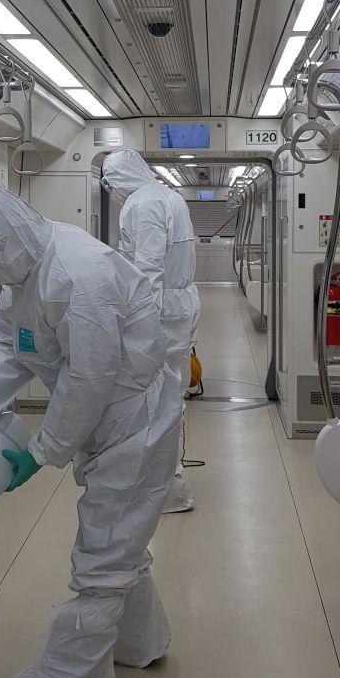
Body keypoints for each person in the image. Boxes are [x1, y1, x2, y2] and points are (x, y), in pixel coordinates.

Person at [0, 186, 182, 678]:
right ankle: (138, 641)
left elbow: (89, 378)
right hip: (106, 422)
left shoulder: (80, 275)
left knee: (103, 548)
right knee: (120, 536)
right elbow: (9, 341)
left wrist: (41, 451)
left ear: (11, 236)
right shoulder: (25, 270)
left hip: (134, 424)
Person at [101, 149, 200, 513]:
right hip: (177, 311)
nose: (110, 189)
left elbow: (148, 270)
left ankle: (163, 488)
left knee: (157, 404)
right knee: (170, 398)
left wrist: (140, 324)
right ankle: (166, 481)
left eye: (111, 180)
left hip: (160, 316)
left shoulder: (144, 204)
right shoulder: (169, 197)